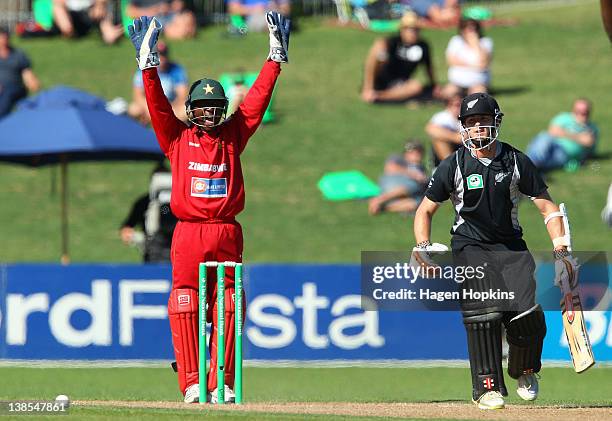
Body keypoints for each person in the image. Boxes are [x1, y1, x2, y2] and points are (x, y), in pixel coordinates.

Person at [128, 12, 289, 403]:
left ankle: (223, 381)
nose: (208, 113)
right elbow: (157, 108)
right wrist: (148, 67)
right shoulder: (177, 139)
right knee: (185, 302)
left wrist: (274, 60)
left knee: (230, 305)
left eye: (214, 106)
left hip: (226, 228)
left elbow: (255, 100)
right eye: (201, 107)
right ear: (192, 110)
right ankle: (192, 383)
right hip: (188, 231)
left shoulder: (234, 134)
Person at [412, 92, 577, 409]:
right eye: (471, 123)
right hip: (469, 245)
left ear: (496, 122)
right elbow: (425, 211)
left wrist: (562, 251)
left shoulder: (516, 161)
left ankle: (524, 368)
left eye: (484, 121)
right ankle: (487, 387)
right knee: (483, 311)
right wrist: (422, 246)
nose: (478, 129)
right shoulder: (454, 164)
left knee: (528, 316)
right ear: (463, 128)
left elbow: (548, 209)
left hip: (511, 246)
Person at [361, 11, 439, 103]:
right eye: (410, 29)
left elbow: (428, 67)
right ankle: (368, 90)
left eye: (416, 29)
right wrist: (368, 86)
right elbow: (375, 57)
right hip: (383, 79)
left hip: (400, 83)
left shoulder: (423, 46)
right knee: (378, 48)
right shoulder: (393, 42)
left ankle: (379, 96)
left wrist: (434, 85)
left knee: (416, 86)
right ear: (402, 30)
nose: (413, 33)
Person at [120, 160, 177, 262]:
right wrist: (139, 238)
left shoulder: (179, 202)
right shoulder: (144, 203)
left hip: (177, 247)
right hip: (153, 250)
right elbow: (126, 229)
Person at [526, 99, 598, 172]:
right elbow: (553, 131)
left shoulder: (592, 128)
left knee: (545, 159)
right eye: (579, 111)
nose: (582, 114)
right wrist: (579, 137)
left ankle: (531, 169)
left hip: (565, 154)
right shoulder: (564, 118)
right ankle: (531, 168)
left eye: (585, 112)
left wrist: (563, 133)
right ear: (573, 110)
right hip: (552, 143)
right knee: (544, 137)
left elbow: (589, 144)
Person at [128, 41, 188, 124]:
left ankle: (157, 121)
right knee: (133, 109)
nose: (162, 59)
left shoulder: (176, 69)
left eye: (164, 55)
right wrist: (151, 110)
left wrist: (167, 110)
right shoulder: (145, 69)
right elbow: (137, 95)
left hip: (171, 106)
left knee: (185, 111)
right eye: (159, 55)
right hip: (149, 106)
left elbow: (182, 96)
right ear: (153, 56)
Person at [368, 140, 428, 215]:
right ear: (406, 153)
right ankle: (379, 199)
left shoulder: (421, 167)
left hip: (408, 194)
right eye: (412, 152)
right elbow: (389, 168)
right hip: (392, 184)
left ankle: (383, 207)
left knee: (416, 203)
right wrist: (412, 174)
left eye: (419, 152)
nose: (416, 154)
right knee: (412, 184)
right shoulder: (399, 159)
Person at [444, 18, 493, 96]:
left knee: (477, 97)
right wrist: (474, 65)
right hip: (458, 82)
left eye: (474, 29)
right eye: (468, 29)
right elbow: (451, 61)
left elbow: (484, 62)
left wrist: (475, 44)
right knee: (448, 93)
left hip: (478, 81)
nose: (471, 31)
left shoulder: (485, 42)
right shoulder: (456, 41)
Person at [0, 27, 40, 119]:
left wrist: (33, 84)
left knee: (8, 93)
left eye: (5, 37)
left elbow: (27, 72)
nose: (3, 40)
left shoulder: (17, 54)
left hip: (16, 88)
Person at [52, 0, 124, 44]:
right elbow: (58, 3)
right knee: (65, 26)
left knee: (110, 38)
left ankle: (113, 30)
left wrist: (99, 5)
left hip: (95, 11)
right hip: (73, 14)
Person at [127, 0, 196, 39]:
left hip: (169, 13)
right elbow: (130, 11)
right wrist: (153, 10)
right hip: (152, 18)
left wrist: (169, 7)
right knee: (180, 28)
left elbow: (178, 3)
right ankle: (178, 31)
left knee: (188, 16)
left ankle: (182, 30)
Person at [426, 90, 462, 167]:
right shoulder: (443, 117)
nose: (459, 108)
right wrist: (456, 137)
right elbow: (431, 129)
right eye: (456, 105)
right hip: (447, 153)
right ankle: (451, 167)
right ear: (448, 105)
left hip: (465, 149)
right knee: (440, 140)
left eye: (461, 105)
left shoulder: (468, 117)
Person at [226, 0, 291, 33]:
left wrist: (272, 7)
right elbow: (233, 9)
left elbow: (286, 9)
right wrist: (255, 9)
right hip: (252, 17)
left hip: (272, 12)